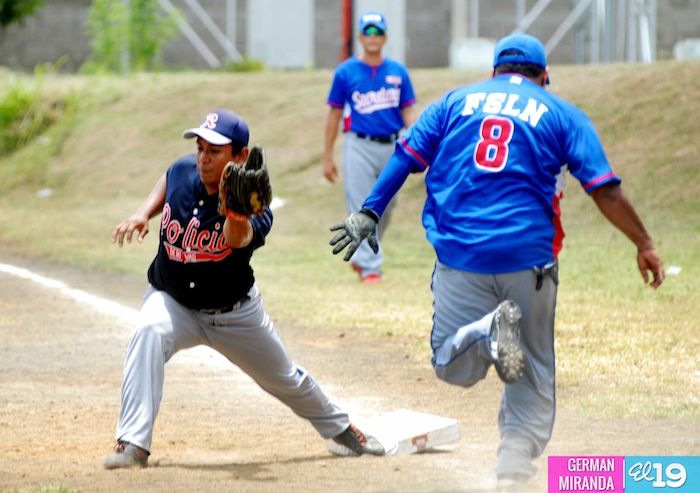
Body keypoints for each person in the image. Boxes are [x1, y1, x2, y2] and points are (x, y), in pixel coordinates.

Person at [329, 34, 665, 488]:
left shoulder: (453, 102)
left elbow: (406, 156)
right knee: (534, 369)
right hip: (530, 259)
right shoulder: (561, 111)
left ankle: (486, 335)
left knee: (450, 365)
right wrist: (644, 242)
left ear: (493, 73)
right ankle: (513, 460)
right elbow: (603, 187)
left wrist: (370, 210)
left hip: (460, 255)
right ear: (544, 76)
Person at [104, 108, 384, 469]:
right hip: (172, 301)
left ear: (239, 157)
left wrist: (236, 214)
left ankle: (342, 429)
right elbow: (170, 176)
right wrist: (143, 212)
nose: (203, 158)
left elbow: (237, 241)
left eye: (214, 151)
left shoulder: (256, 206)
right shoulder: (184, 170)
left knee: (285, 379)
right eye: (200, 148)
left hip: (234, 314)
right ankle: (133, 445)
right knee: (148, 330)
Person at [323, 10, 418, 284]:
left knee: (386, 205)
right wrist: (327, 156)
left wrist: (416, 142)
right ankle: (370, 267)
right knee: (362, 204)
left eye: (378, 32)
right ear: (360, 37)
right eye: (368, 32)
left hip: (392, 145)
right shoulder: (346, 72)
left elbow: (409, 111)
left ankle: (363, 250)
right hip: (358, 144)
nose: (373, 37)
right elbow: (333, 115)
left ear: (385, 37)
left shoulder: (398, 72)